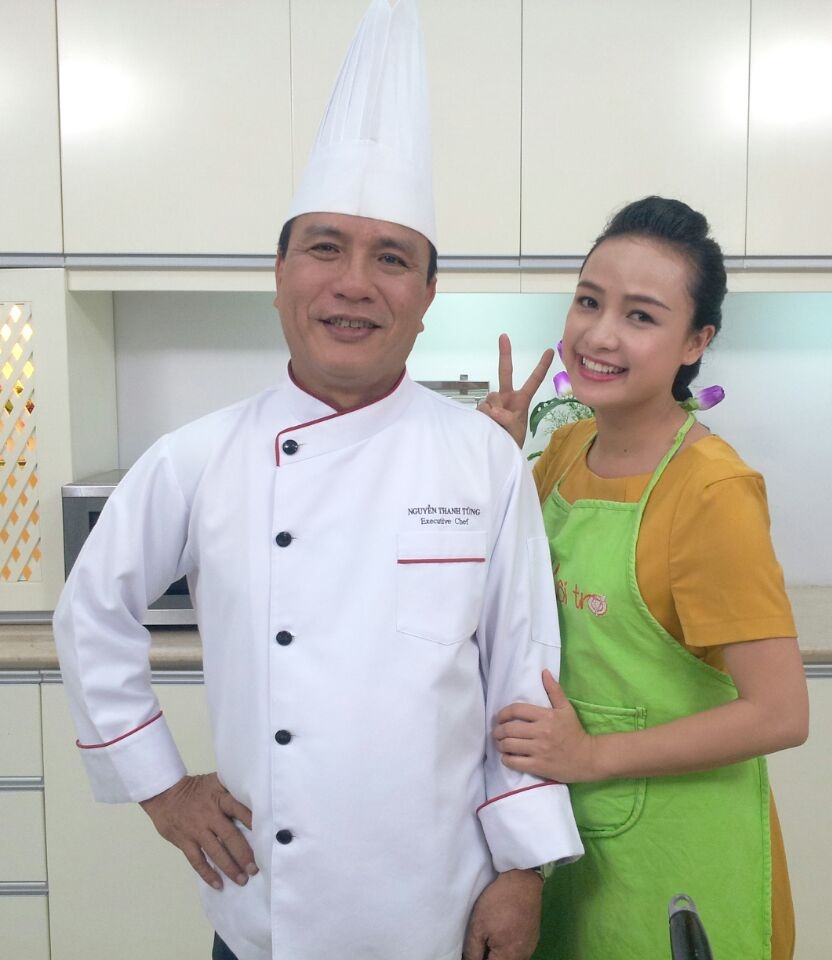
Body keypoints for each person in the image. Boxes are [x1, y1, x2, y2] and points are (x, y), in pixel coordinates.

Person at [52, 3, 581, 959]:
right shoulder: (198, 456)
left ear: (427, 296)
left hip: (444, 905)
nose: (354, 283)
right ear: (280, 274)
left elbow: (523, 675)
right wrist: (161, 786)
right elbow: (92, 612)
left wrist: (523, 870)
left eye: (392, 259)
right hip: (268, 916)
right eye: (326, 247)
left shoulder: (482, 458)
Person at [480, 196, 809, 960]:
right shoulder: (565, 452)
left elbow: (780, 713)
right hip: (577, 844)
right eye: (589, 301)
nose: (599, 334)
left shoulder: (711, 490)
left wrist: (591, 757)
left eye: (640, 316)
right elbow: (513, 607)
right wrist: (495, 463)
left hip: (682, 860)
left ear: (697, 341)